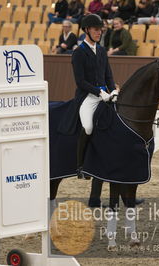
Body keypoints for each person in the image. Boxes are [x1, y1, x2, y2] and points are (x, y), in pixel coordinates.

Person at [71, 14, 118, 179]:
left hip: (105, 94)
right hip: (87, 97)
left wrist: (113, 91)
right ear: (86, 30)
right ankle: (80, 166)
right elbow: (80, 82)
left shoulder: (102, 51)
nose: (99, 33)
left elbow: (108, 75)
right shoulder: (79, 53)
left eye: (101, 30)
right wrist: (99, 92)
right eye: (96, 30)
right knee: (89, 127)